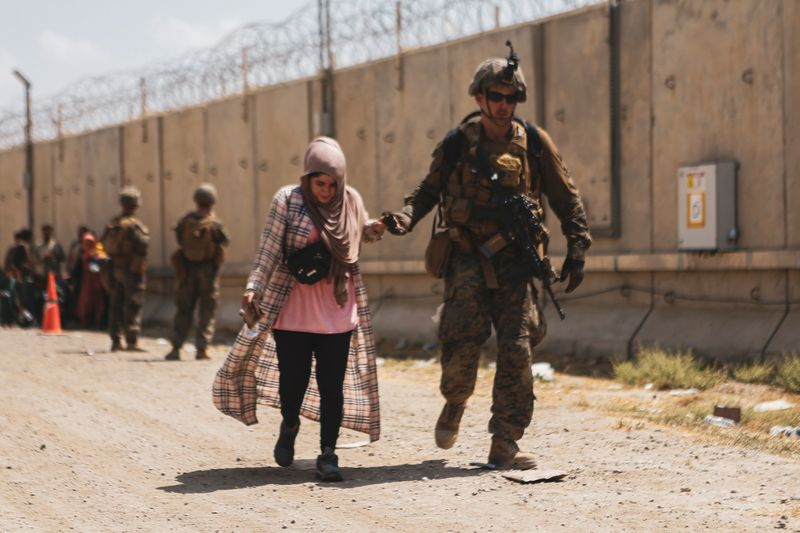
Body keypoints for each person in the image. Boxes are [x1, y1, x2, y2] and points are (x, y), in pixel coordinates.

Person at [383, 43, 592, 469]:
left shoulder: (534, 143)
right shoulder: (457, 144)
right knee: (461, 344)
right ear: (479, 97)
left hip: (517, 263)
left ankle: (505, 441)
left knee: (518, 349)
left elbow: (565, 195)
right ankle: (456, 401)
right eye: (495, 96)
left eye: (511, 98)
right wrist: (406, 217)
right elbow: (428, 190)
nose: (503, 105)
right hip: (466, 258)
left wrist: (578, 245)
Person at [213, 137, 384, 482]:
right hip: (293, 311)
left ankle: (328, 453)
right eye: (320, 183)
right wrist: (253, 287)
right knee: (293, 382)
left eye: (333, 184)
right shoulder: (288, 201)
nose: (327, 191)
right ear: (307, 178)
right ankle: (289, 423)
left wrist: (374, 229)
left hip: (338, 310)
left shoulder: (350, 200)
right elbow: (269, 249)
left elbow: (357, 231)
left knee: (331, 385)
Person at [165, 184, 230, 361]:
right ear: (212, 201)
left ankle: (176, 348)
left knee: (184, 309)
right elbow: (225, 240)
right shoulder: (215, 224)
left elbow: (180, 240)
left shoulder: (185, 221)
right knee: (206, 311)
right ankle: (202, 349)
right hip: (208, 272)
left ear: (196, 200)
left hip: (187, 270)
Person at [101, 186, 149, 352]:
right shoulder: (134, 225)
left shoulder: (113, 224)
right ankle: (131, 341)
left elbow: (102, 245)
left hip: (115, 268)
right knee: (133, 304)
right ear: (136, 204)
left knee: (116, 305)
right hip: (132, 269)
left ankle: (116, 341)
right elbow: (142, 245)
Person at [73, 233, 108, 329]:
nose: (87, 245)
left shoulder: (98, 252)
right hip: (86, 283)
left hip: (97, 282)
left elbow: (100, 266)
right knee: (85, 303)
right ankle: (85, 321)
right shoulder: (83, 255)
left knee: (98, 303)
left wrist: (94, 258)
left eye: (89, 242)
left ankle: (98, 322)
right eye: (86, 242)